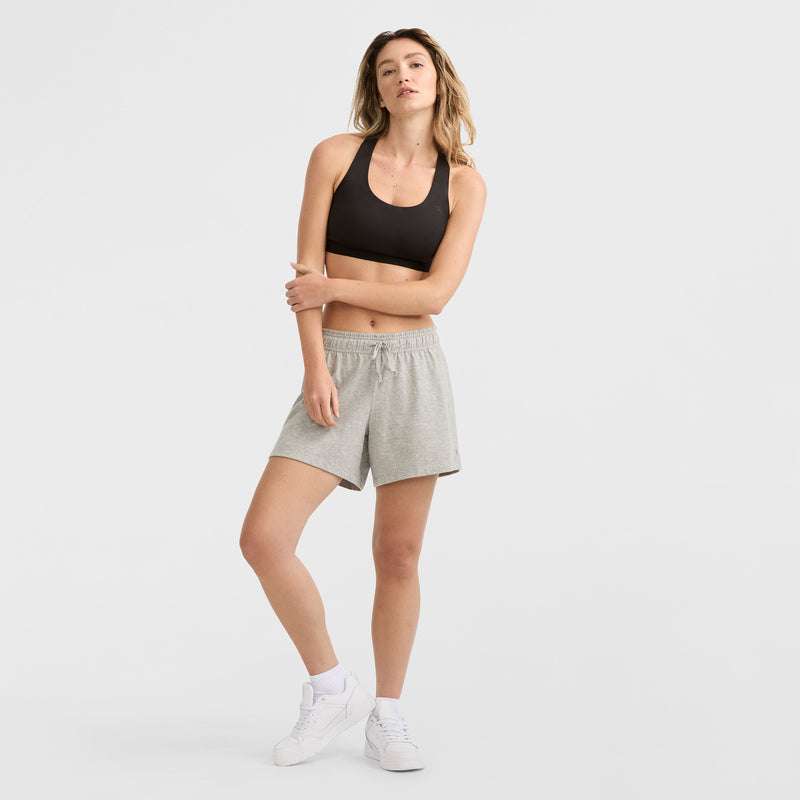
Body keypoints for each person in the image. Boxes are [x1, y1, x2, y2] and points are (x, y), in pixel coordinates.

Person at [239, 27, 486, 772]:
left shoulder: (465, 182)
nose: (402, 76)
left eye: (415, 63)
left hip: (415, 368)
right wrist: (316, 368)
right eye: (387, 68)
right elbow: (303, 267)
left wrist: (332, 286)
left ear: (437, 78)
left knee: (399, 555)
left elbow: (437, 293)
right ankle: (329, 687)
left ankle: (388, 714)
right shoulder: (335, 157)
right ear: (374, 88)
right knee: (264, 539)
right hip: (337, 362)